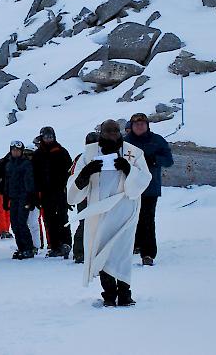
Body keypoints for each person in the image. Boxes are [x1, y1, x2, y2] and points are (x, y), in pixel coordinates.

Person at [67, 120, 152, 307]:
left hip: (124, 210)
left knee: (122, 253)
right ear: (101, 133)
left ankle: (124, 294)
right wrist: (86, 174)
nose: (112, 134)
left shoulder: (133, 153)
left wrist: (128, 169)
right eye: (108, 131)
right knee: (101, 252)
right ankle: (109, 294)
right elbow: (74, 186)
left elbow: (145, 178)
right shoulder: (89, 154)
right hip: (99, 213)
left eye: (115, 131)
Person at [124, 112, 174, 266]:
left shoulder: (157, 140)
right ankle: (134, 245)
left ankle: (148, 253)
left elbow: (168, 161)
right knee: (131, 218)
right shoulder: (125, 143)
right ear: (131, 127)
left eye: (142, 124)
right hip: (130, 188)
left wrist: (154, 160)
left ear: (147, 125)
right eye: (136, 124)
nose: (139, 126)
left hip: (150, 187)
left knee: (147, 219)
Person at [32, 126, 73, 258]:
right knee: (50, 220)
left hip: (60, 191)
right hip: (45, 192)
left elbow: (70, 171)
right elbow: (34, 175)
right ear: (41, 138)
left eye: (50, 136)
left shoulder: (61, 151)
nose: (48, 139)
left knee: (63, 217)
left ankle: (66, 243)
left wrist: (69, 190)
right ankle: (55, 246)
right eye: (46, 137)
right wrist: (36, 193)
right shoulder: (38, 154)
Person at [70, 132, 100, 264]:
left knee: (99, 224)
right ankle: (79, 252)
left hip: (99, 195)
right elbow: (72, 176)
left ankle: (94, 251)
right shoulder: (81, 159)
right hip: (84, 196)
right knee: (84, 223)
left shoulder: (104, 157)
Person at [5, 141, 36, 260]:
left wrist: (30, 198)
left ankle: (28, 248)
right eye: (13, 150)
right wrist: (6, 197)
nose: (15, 152)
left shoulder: (26, 164)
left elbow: (30, 182)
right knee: (14, 224)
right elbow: (7, 182)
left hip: (24, 197)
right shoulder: (9, 164)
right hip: (13, 197)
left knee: (22, 222)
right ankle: (21, 248)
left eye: (18, 150)